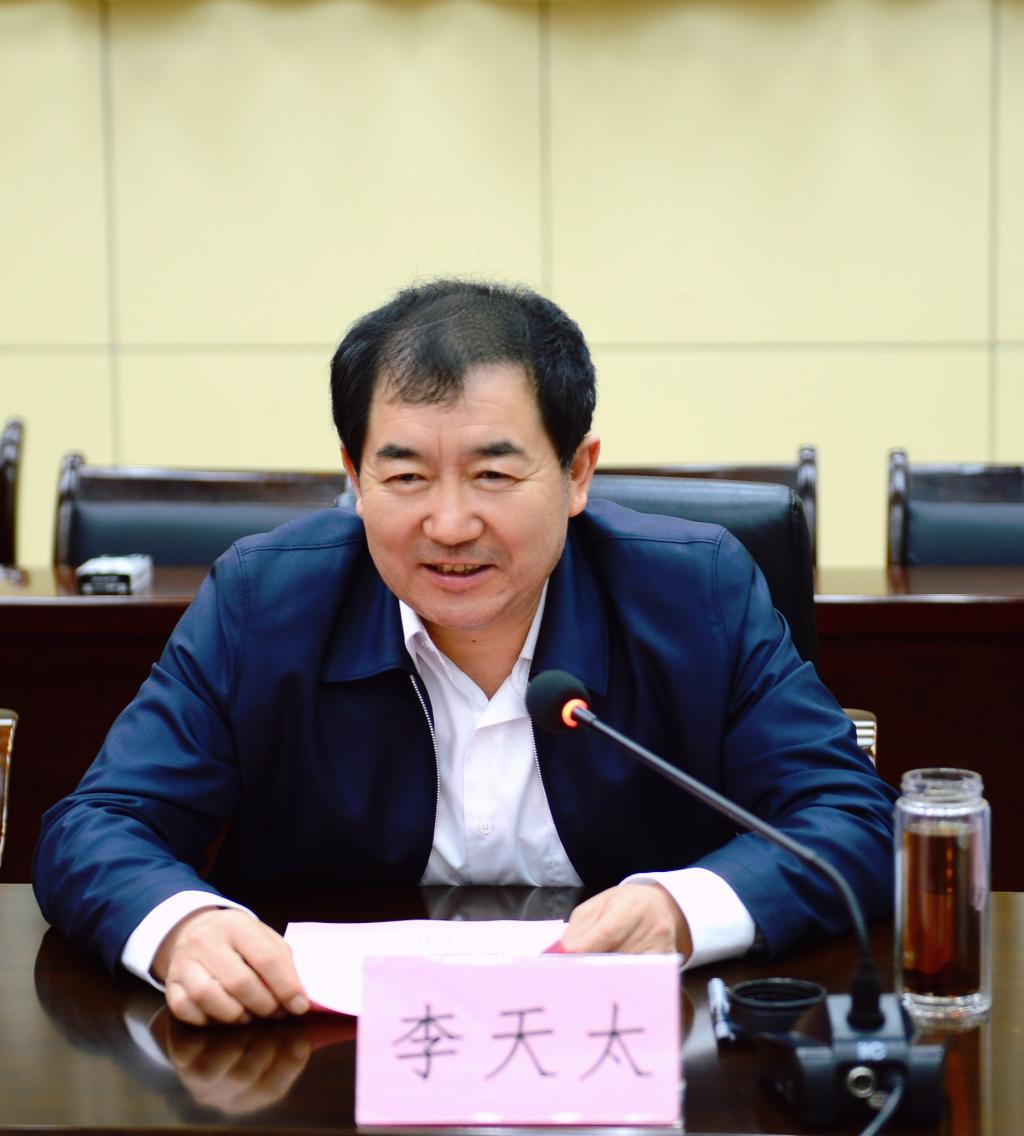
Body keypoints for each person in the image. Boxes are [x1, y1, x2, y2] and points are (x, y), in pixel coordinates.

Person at [33, 279, 896, 1027]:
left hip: (635, 1052)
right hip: (323, 1061)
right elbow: (97, 826)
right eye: (406, 476)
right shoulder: (263, 603)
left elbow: (851, 817)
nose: (448, 525)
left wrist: (681, 909)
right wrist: (180, 926)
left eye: (494, 474)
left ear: (578, 472)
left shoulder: (694, 593)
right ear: (354, 477)